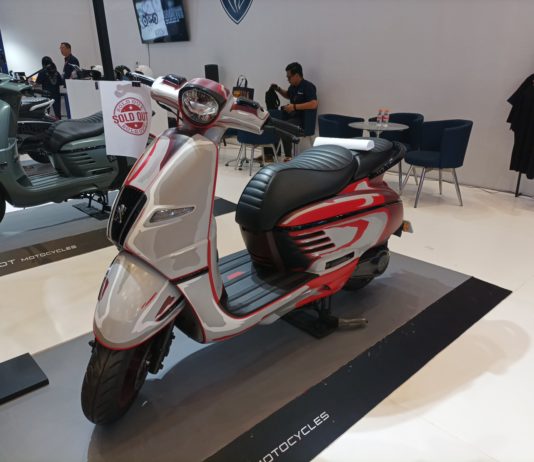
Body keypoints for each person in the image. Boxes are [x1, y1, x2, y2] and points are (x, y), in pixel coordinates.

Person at [271, 62, 318, 157]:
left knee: (283, 127)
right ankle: (272, 154)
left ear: (296, 75)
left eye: (289, 77)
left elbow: (314, 104)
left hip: (302, 120)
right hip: (292, 116)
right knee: (272, 122)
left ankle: (288, 156)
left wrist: (294, 107)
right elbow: (288, 95)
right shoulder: (293, 87)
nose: (288, 79)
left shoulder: (308, 86)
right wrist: (278, 89)